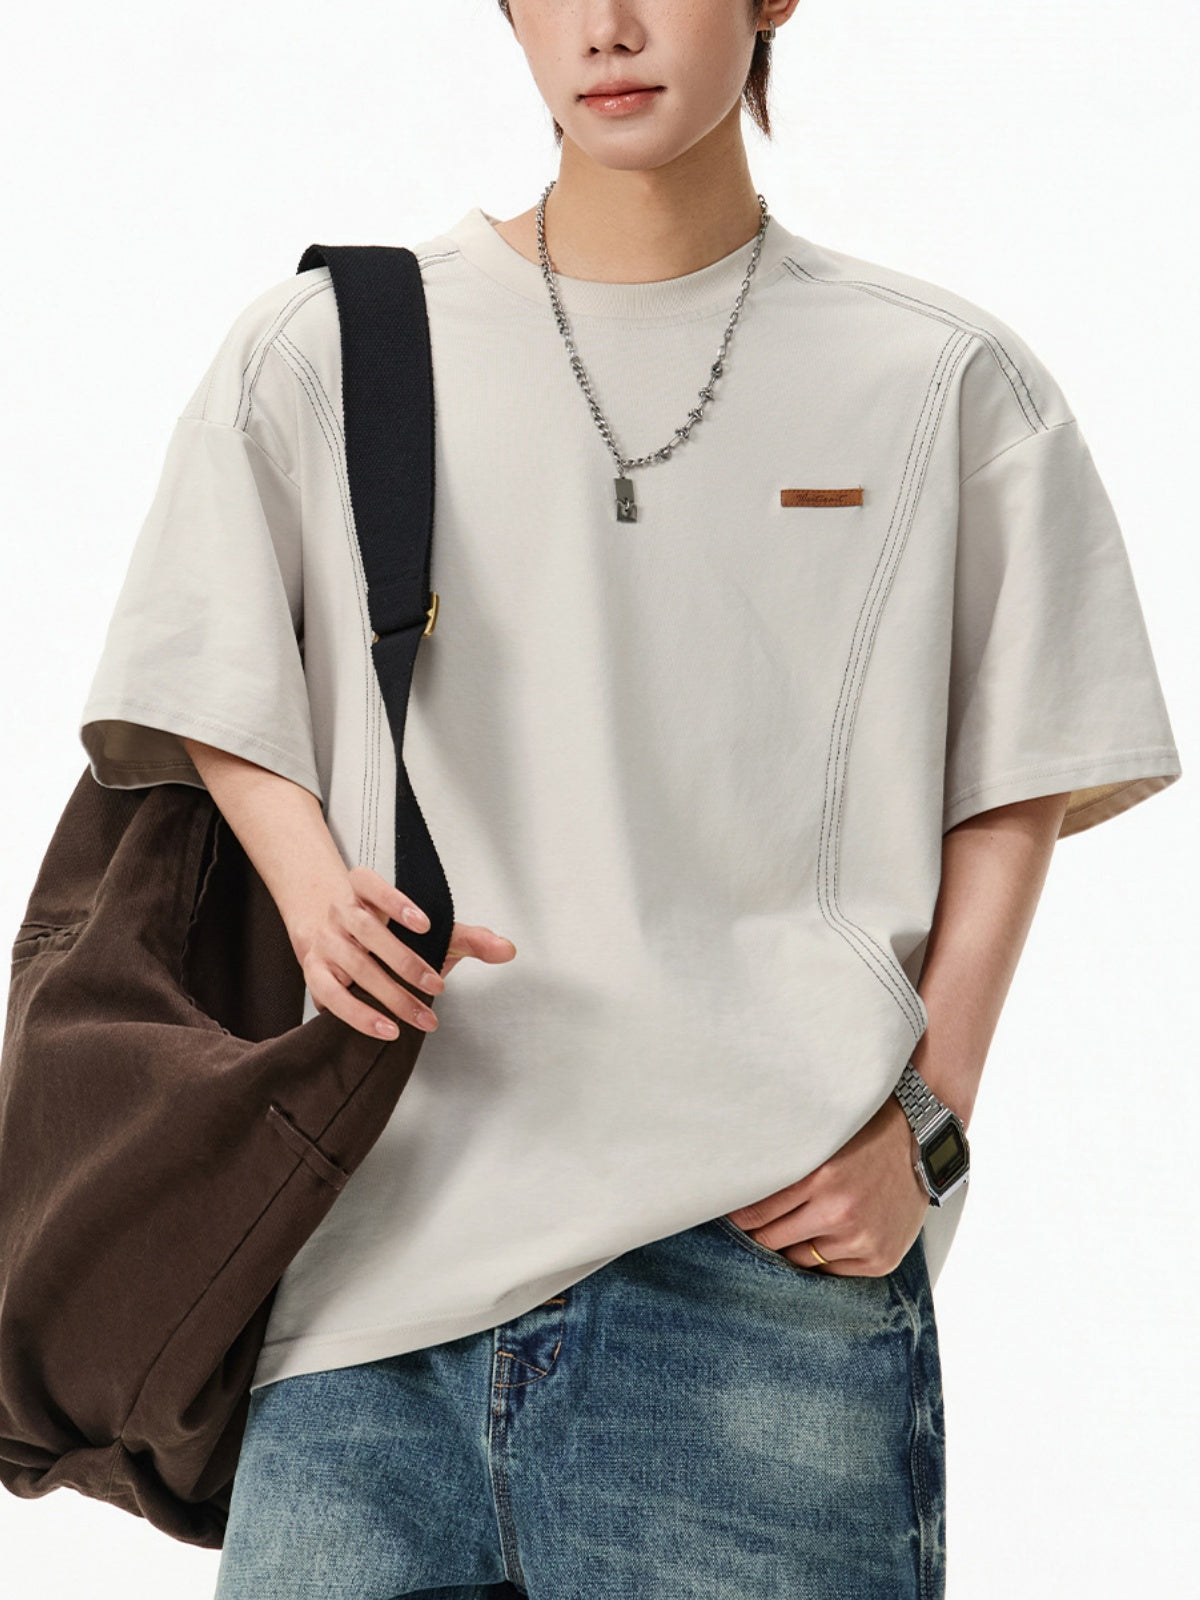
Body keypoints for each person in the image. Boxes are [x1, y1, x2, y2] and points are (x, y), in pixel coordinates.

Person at [77, 2, 1181, 1596]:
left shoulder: (942, 380)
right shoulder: (328, 349)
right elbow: (204, 673)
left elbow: (1016, 777)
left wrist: (929, 1128)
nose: (607, 27)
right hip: (368, 1295)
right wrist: (312, 887)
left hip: (758, 1292)